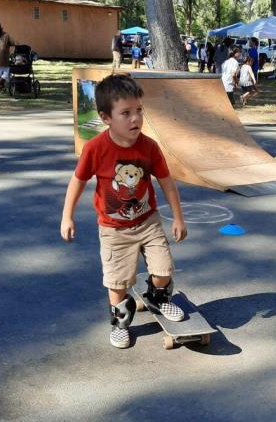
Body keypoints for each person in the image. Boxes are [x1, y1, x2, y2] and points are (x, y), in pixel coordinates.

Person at [60, 74, 187, 349]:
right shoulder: (95, 148)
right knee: (118, 283)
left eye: (139, 110)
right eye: (125, 113)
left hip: (148, 221)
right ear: (106, 118)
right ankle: (120, 324)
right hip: (113, 229)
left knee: (163, 270)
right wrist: (67, 215)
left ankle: (157, 298)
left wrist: (177, 217)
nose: (135, 119)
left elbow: (166, 182)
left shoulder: (150, 147)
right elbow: (78, 181)